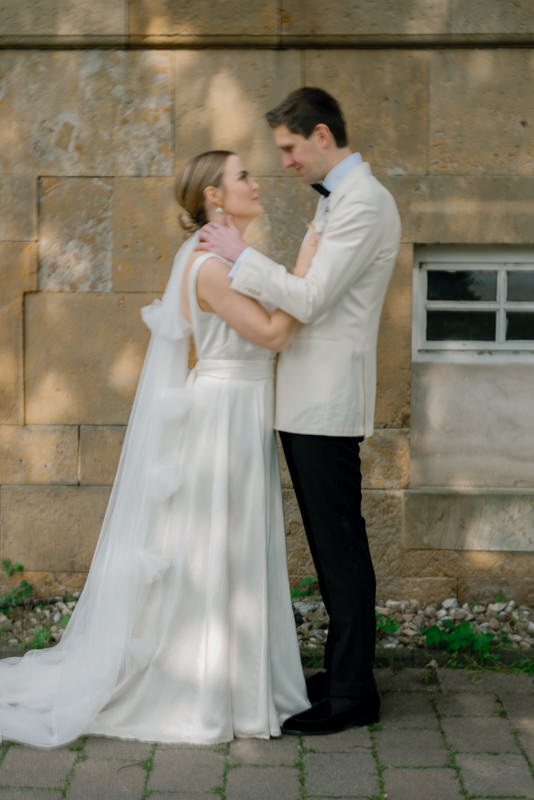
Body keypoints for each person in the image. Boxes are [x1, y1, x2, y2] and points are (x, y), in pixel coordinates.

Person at [0, 150, 311, 748]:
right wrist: (306, 278)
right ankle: (207, 687)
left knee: (231, 541)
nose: (255, 182)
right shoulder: (210, 267)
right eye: (242, 175)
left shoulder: (221, 256)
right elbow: (271, 334)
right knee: (218, 542)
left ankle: (242, 680)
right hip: (225, 411)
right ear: (214, 197)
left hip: (240, 408)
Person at [197, 88, 402, 735]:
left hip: (325, 404)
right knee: (329, 546)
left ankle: (351, 697)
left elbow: (309, 299)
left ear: (319, 136)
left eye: (288, 149)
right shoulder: (343, 200)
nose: (284, 162)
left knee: (340, 550)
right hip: (306, 402)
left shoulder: (363, 202)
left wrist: (239, 256)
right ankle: (344, 675)